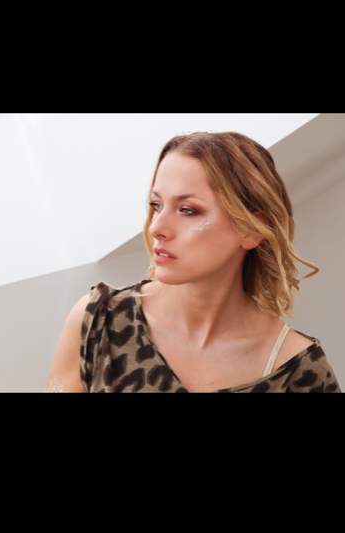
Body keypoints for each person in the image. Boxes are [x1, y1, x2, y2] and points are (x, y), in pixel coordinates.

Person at [45, 132, 341, 393]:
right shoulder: (99, 320)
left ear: (251, 228)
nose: (156, 228)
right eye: (156, 205)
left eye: (187, 210)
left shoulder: (298, 369)